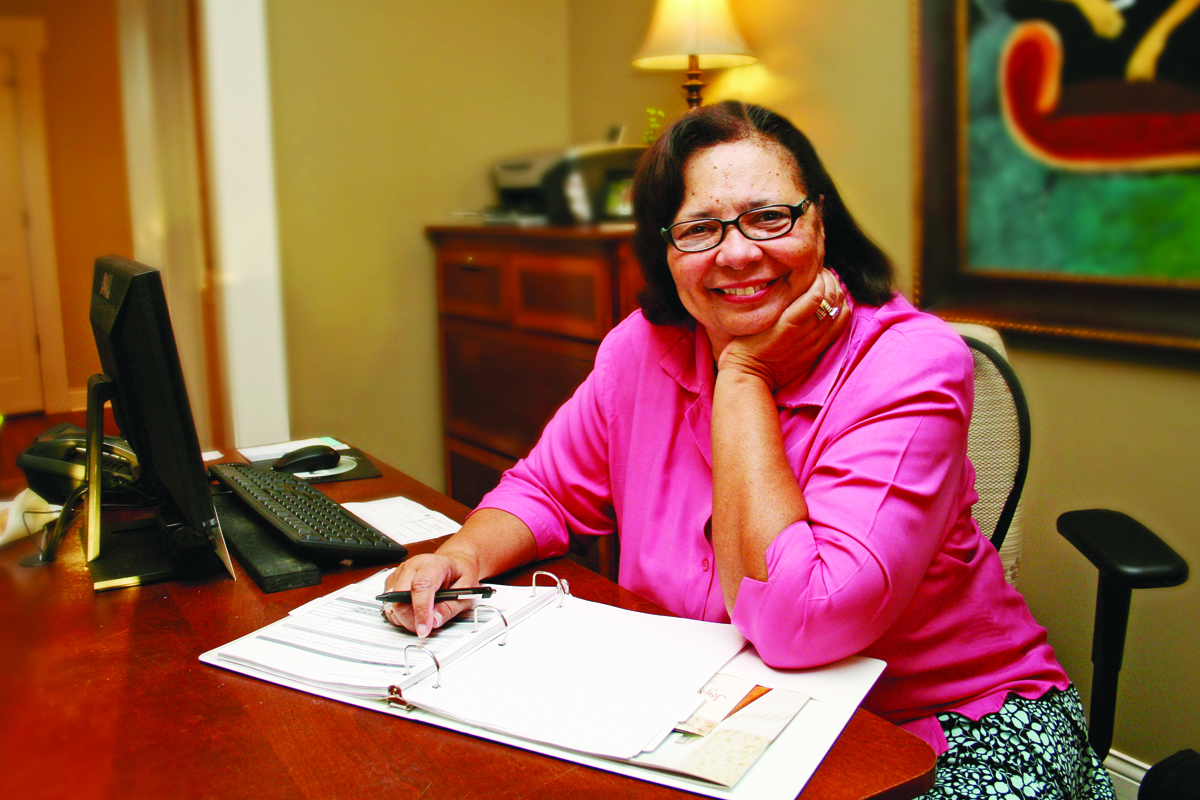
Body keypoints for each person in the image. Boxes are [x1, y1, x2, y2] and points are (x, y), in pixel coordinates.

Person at [384, 101, 1115, 799]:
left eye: (769, 216)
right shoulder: (640, 349)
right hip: (726, 713)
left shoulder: (912, 363)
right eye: (700, 228)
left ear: (820, 222)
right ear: (666, 251)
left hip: (945, 727)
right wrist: (462, 557)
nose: (738, 252)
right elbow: (544, 490)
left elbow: (804, 620)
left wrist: (743, 378)